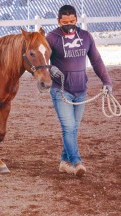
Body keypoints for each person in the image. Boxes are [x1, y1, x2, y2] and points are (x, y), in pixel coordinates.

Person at [46, 5, 113, 177]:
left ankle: (63, 162)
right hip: (61, 92)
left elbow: (96, 61)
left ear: (77, 20)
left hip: (81, 91)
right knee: (68, 128)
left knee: (73, 128)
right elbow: (41, 60)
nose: (69, 24)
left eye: (72, 21)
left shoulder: (85, 36)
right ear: (58, 21)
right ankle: (76, 162)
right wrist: (49, 69)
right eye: (65, 22)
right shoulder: (52, 38)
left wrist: (106, 81)